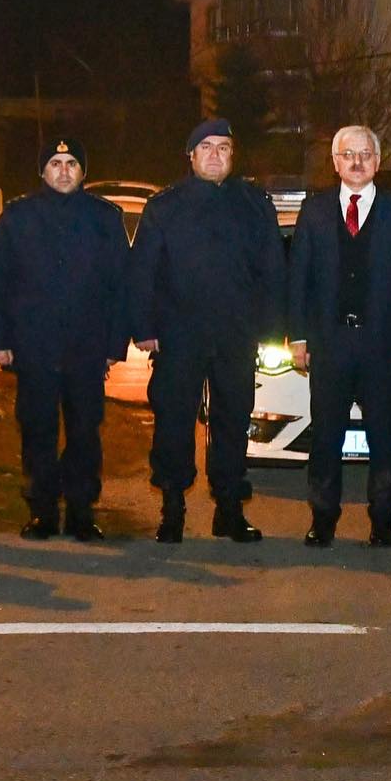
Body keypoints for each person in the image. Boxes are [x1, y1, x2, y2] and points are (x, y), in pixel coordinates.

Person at [127, 118, 284, 544]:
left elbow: (272, 270)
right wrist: (143, 327)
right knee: (174, 421)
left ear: (233, 155)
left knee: (233, 421)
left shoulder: (254, 204)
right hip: (179, 334)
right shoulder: (165, 206)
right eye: (206, 147)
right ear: (191, 155)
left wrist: (272, 327)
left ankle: (230, 509)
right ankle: (172, 509)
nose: (215, 155)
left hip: (236, 334)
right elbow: (143, 271)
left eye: (223, 148)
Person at [0, 137, 129, 542]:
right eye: (56, 163)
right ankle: (42, 511)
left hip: (87, 349)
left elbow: (121, 285)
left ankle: (82, 511)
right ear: (42, 171)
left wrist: (115, 345)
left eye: (72, 163)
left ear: (83, 172)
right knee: (38, 431)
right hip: (34, 347)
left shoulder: (105, 219)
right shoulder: (18, 218)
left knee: (84, 434)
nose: (64, 170)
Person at [287, 125, 391, 547]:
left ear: (378, 162)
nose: (357, 162)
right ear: (335, 163)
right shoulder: (315, 211)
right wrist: (298, 336)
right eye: (348, 154)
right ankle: (323, 518)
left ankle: (383, 519)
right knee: (326, 436)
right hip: (329, 343)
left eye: (365, 154)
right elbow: (299, 280)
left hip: (381, 345)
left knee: (384, 436)